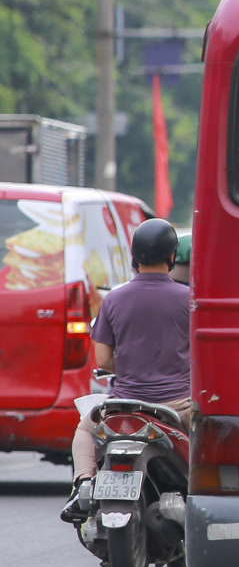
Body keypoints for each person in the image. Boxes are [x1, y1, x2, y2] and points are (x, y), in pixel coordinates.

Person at [62, 219, 192, 523]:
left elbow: (104, 360)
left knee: (84, 429)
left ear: (135, 257)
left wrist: (134, 365)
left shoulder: (114, 300)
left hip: (124, 406)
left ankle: (82, 483)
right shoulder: (189, 300)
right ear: (171, 257)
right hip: (176, 409)